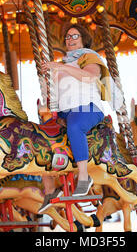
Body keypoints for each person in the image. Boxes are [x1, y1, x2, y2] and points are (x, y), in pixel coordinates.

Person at [38, 24, 110, 213]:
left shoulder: (89, 57)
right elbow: (51, 93)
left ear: (84, 38)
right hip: (64, 111)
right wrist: (48, 78)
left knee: (75, 127)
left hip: (87, 108)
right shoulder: (62, 63)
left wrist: (61, 68)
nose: (70, 40)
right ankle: (50, 190)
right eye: (67, 37)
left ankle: (84, 178)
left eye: (74, 36)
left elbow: (90, 78)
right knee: (40, 136)